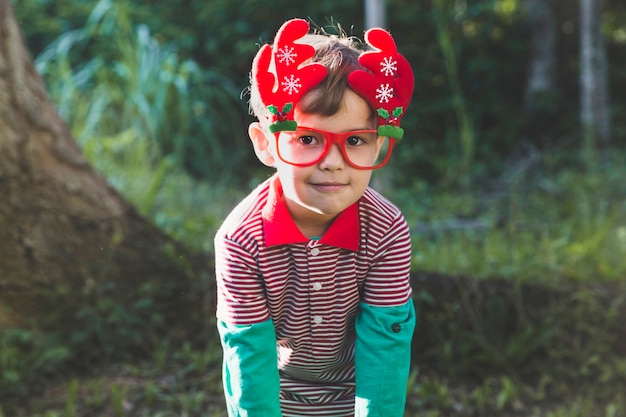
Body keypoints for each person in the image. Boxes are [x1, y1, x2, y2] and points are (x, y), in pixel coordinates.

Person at [214, 18, 416, 417]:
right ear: (266, 145)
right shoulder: (240, 240)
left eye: (355, 140)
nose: (334, 163)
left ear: (378, 145)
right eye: (308, 139)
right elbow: (248, 354)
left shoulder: (387, 230)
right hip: (274, 397)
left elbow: (385, 346)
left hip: (359, 393)